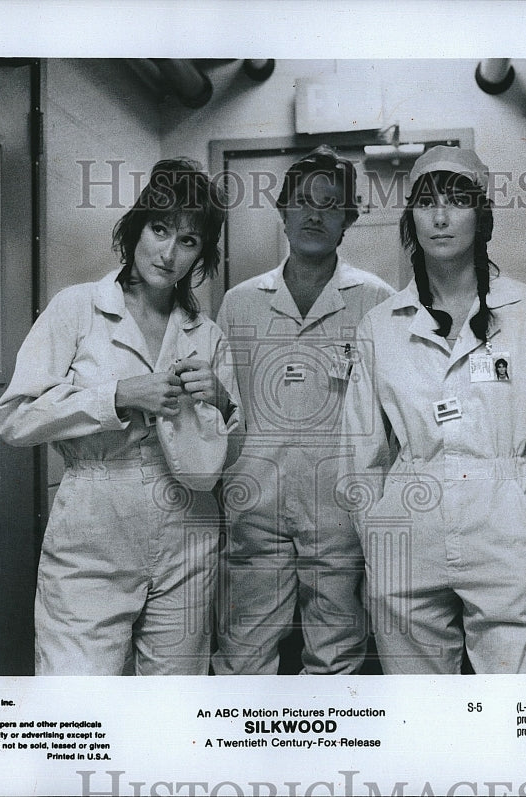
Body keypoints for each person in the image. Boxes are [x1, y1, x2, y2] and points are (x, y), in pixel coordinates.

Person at [340, 145, 526, 674]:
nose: (440, 215)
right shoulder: (381, 325)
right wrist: (377, 530)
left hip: (505, 527)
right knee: (420, 712)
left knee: (518, 709)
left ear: (483, 217)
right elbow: (359, 449)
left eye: (457, 200)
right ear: (411, 220)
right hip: (408, 530)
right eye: (426, 202)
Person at [0, 158, 241, 675]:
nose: (169, 253)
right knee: (79, 708)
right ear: (135, 227)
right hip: (94, 528)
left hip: (189, 531)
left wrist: (219, 401)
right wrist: (116, 396)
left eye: (189, 241)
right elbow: (15, 418)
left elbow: (233, 451)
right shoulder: (77, 308)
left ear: (203, 255)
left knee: (174, 712)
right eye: (159, 229)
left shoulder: (208, 334)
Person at [213, 146, 395, 675]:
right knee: (243, 654)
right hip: (255, 504)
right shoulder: (240, 302)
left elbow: (388, 415)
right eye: (303, 202)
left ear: (348, 220)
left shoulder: (375, 302)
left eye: (331, 204)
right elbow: (222, 405)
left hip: (338, 509)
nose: (315, 214)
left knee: (336, 654)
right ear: (283, 211)